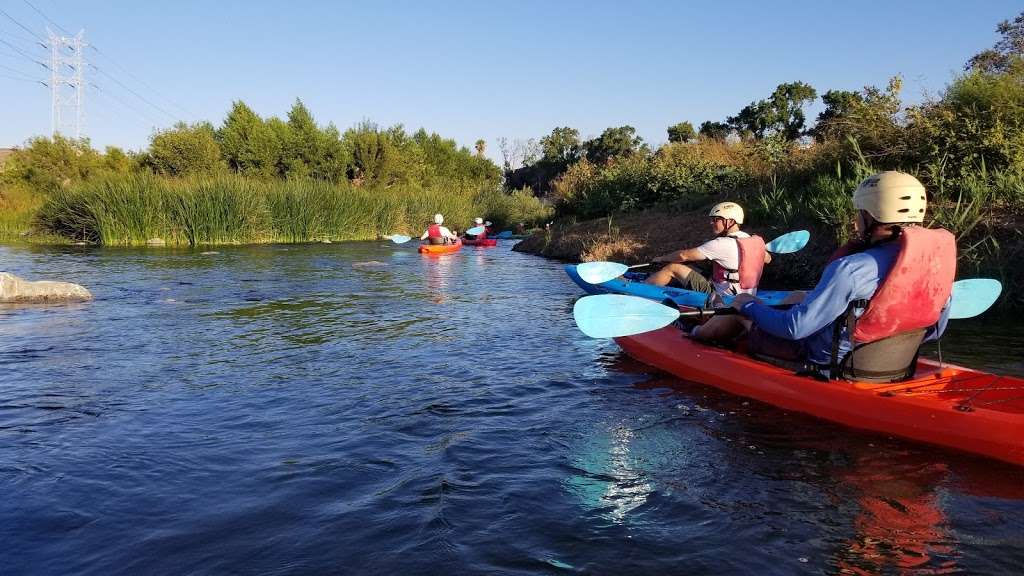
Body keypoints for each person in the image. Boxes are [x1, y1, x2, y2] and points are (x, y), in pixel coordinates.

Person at [696, 171, 956, 382]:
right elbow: (933, 330)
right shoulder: (936, 262)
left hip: (829, 365)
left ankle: (693, 335)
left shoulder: (851, 268)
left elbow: (794, 329)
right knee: (799, 297)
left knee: (740, 312)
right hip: (893, 366)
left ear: (870, 215)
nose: (856, 221)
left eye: (859, 214)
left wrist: (747, 304)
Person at [645, 202, 771, 304]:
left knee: (673, 268)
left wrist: (662, 258)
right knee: (693, 268)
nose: (711, 223)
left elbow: (683, 255)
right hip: (747, 294)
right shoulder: (753, 241)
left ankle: (639, 289)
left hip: (722, 297)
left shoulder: (721, 243)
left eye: (716, 220)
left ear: (730, 221)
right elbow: (767, 259)